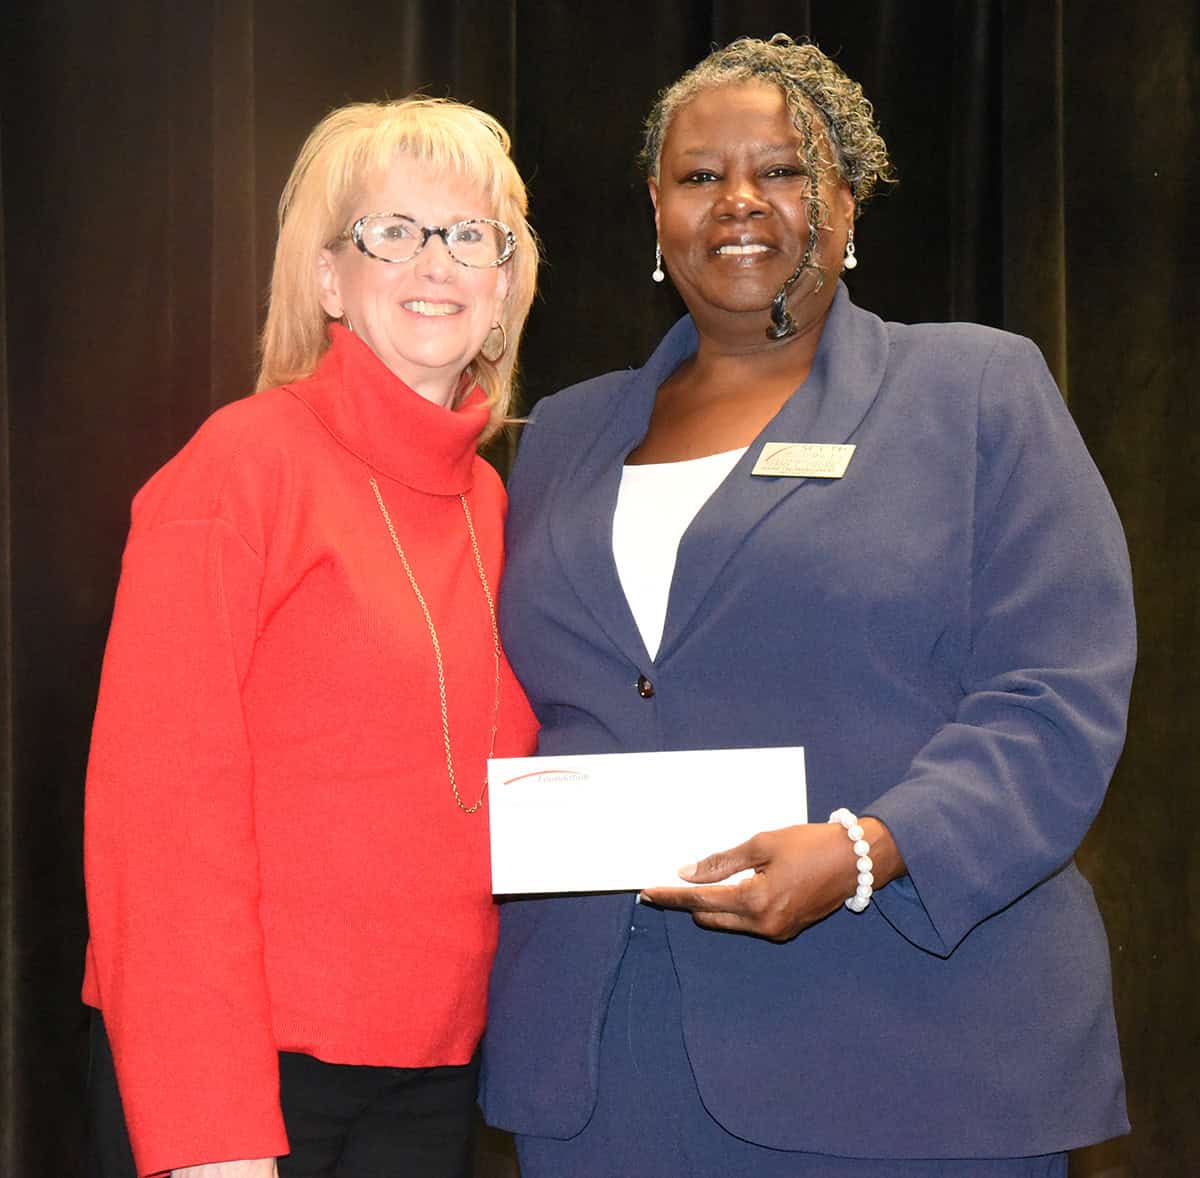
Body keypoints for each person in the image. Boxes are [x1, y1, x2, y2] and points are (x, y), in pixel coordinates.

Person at [482, 34, 1135, 1178]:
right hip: (608, 1062)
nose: (739, 200)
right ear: (655, 208)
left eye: (782, 169)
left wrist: (870, 847)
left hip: (904, 1042)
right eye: (698, 176)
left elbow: (1057, 696)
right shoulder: (561, 438)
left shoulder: (976, 391)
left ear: (845, 199)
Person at [82, 96, 539, 1178]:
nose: (436, 262)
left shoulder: (506, 507)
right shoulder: (241, 470)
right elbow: (158, 823)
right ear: (327, 278)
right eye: (393, 228)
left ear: (506, 286)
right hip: (244, 1091)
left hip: (435, 1087)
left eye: (470, 234)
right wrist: (211, 1133)